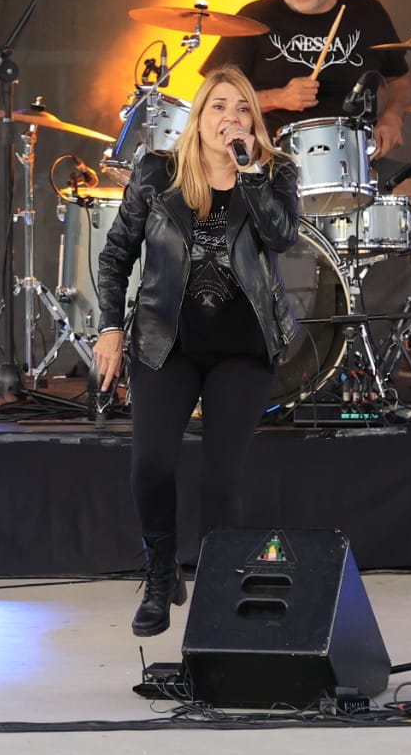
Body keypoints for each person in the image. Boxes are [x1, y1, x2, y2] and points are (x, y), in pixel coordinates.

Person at [93, 66, 300, 638]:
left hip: (244, 347)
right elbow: (116, 254)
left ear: (253, 121)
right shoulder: (156, 172)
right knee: (151, 464)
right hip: (168, 341)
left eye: (242, 108)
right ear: (198, 117)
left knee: (220, 478)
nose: (230, 118)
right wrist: (109, 328)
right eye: (218, 107)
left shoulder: (275, 171)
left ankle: (215, 590)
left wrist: (249, 172)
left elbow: (282, 237)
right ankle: (161, 574)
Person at [203, 0, 411, 376]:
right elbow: (212, 98)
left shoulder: (365, 14)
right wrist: (277, 97)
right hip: (271, 164)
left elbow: (400, 80)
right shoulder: (253, 18)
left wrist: (392, 117)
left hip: (354, 162)